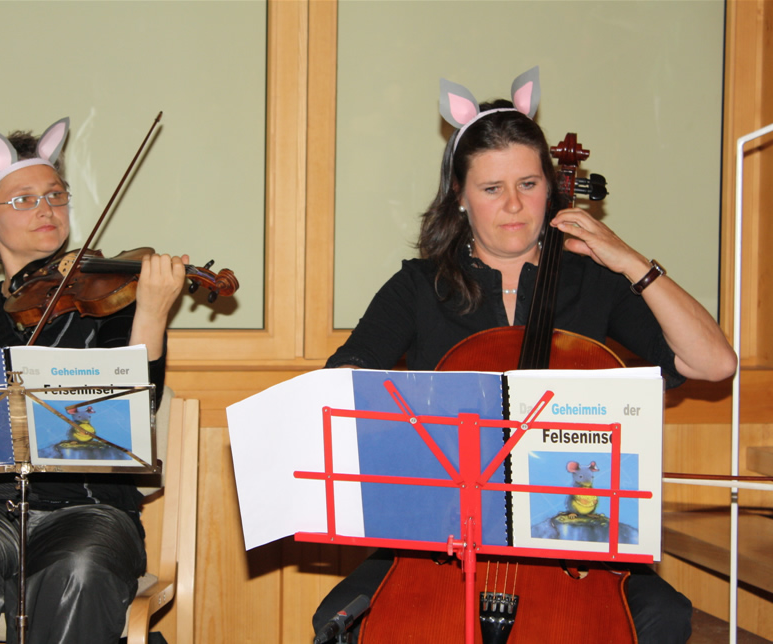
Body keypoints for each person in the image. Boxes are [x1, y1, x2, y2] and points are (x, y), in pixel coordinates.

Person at [312, 68, 737, 643]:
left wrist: (629, 261)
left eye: (529, 184)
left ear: (552, 188)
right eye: (491, 189)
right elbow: (343, 380)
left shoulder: (594, 282)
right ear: (460, 196)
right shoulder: (419, 287)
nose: (514, 205)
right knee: (338, 620)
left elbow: (714, 364)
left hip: (573, 541)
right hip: (444, 543)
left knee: (665, 617)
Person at [0, 117, 188, 644]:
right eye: (23, 200)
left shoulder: (112, 304)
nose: (46, 209)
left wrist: (153, 315)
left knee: (80, 571)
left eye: (55, 195)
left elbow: (137, 408)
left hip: (91, 509)